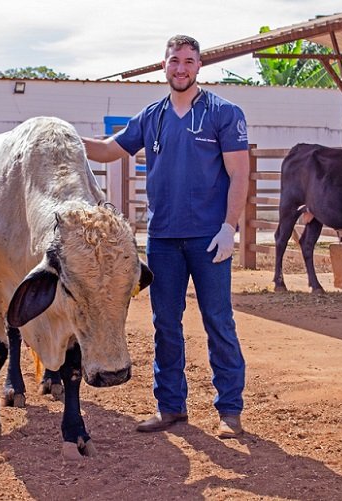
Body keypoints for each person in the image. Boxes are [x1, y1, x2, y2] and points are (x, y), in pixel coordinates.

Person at [82, 34, 249, 438]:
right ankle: (170, 407)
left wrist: (230, 227)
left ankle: (229, 411)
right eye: (175, 60)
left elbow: (239, 173)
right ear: (164, 65)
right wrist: (62, 137)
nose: (181, 68)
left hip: (209, 238)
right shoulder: (151, 116)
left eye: (189, 61)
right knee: (166, 324)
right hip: (164, 239)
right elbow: (108, 150)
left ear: (199, 67)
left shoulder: (223, 114)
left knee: (218, 321)